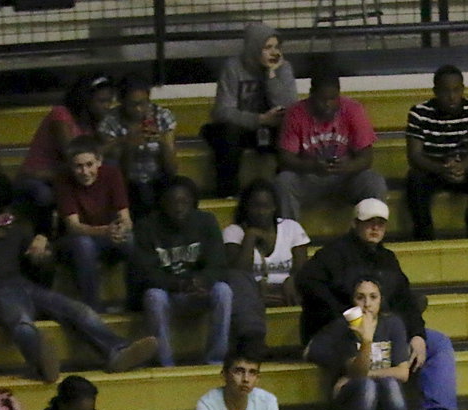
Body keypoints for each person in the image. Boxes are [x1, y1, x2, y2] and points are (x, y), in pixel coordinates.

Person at [0, 177, 157, 382]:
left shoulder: (8, 230)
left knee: (79, 310)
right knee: (22, 323)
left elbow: (40, 261)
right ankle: (41, 364)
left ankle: (116, 351)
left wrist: (42, 255)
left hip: (24, 285)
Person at [297, 198, 458, 410]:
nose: (375, 227)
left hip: (382, 329)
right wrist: (350, 318)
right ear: (355, 223)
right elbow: (307, 283)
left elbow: (405, 300)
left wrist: (417, 334)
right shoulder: (331, 255)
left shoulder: (388, 260)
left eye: (380, 223)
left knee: (438, 343)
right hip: (344, 332)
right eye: (369, 222)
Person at [134, 176, 267, 367]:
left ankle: (215, 359)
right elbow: (145, 274)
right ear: (162, 204)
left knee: (223, 291)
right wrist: (178, 284)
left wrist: (203, 281)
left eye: (184, 202)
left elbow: (218, 264)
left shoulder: (206, 221)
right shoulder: (147, 227)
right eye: (173, 202)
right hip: (168, 293)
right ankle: (166, 363)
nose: (179, 207)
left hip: (199, 292)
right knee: (153, 296)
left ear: (193, 203)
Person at [305, 277, 423, 410]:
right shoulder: (344, 327)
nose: (367, 303)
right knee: (367, 385)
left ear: (380, 300)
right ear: (353, 301)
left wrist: (366, 375)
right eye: (360, 297)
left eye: (373, 297)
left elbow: (403, 373)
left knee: (388, 383)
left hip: (384, 398)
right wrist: (366, 340)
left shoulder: (393, 323)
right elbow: (358, 373)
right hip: (352, 400)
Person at [275, 71, 388, 222]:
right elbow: (285, 158)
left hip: (346, 178)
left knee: (374, 181)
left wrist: (347, 166)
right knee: (284, 182)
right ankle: (289, 238)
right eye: (322, 99)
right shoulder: (295, 113)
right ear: (311, 94)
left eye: (333, 99)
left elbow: (366, 158)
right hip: (309, 177)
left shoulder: (353, 109)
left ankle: (372, 239)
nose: (328, 104)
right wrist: (313, 166)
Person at [203, 23, 298, 199]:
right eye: (268, 48)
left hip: (270, 130)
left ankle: (284, 192)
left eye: (277, 47)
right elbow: (223, 111)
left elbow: (291, 108)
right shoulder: (233, 67)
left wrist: (271, 75)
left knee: (291, 132)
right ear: (254, 48)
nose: (274, 53)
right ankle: (228, 194)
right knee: (227, 133)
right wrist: (260, 119)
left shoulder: (283, 68)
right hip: (242, 129)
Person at [17, 73, 116, 233]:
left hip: (64, 177)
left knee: (109, 168)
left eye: (109, 101)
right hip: (37, 178)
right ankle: (43, 238)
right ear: (85, 100)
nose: (107, 106)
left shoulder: (92, 124)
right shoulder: (61, 115)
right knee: (45, 195)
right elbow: (73, 155)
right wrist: (117, 142)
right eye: (101, 101)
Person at [405, 65, 468, 241]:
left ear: (463, 89)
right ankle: (425, 240)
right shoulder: (419, 113)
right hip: (432, 170)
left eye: (456, 90)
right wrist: (442, 169)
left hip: (464, 169)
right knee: (414, 179)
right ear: (435, 91)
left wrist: (460, 168)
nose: (452, 97)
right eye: (445, 91)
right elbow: (414, 156)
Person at [55, 136, 135, 311]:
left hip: (105, 236)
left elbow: (125, 217)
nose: (85, 172)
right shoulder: (63, 181)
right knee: (84, 244)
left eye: (89, 165)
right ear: (71, 166)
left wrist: (120, 230)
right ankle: (93, 308)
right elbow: (74, 227)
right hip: (74, 241)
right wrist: (106, 231)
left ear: (99, 161)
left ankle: (134, 302)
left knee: (130, 239)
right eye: (78, 166)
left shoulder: (112, 174)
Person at [100, 72, 178, 219]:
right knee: (142, 192)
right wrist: (129, 144)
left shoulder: (162, 116)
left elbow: (172, 169)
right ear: (121, 101)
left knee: (184, 188)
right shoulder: (110, 121)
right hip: (127, 182)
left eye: (143, 103)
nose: (138, 109)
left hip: (159, 176)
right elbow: (121, 173)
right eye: (132, 104)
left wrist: (162, 141)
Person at [223, 178, 310, 307]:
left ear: (274, 207)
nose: (261, 212)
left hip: (287, 293)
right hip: (250, 296)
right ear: (246, 207)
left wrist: (292, 280)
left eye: (266, 206)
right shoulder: (233, 232)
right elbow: (239, 275)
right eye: (255, 206)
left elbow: (302, 270)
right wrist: (250, 237)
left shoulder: (292, 228)